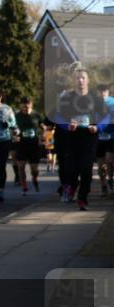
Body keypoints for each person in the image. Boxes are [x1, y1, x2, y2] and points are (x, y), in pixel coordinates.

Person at [55, 69, 109, 211]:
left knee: (86, 170)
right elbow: (58, 117)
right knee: (71, 170)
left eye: (83, 78)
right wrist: (67, 126)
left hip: (89, 138)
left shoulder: (95, 98)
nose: (80, 81)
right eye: (78, 78)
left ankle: (82, 198)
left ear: (88, 80)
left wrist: (98, 128)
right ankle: (72, 186)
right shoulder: (67, 98)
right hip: (72, 138)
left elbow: (107, 117)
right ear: (74, 80)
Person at [14, 96, 45, 195]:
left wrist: (42, 137)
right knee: (21, 166)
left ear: (31, 104)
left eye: (28, 103)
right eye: (24, 103)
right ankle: (24, 185)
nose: (26, 105)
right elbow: (12, 127)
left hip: (34, 144)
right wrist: (14, 136)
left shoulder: (37, 115)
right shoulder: (17, 116)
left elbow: (44, 127)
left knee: (34, 168)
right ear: (21, 104)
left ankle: (35, 178)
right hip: (21, 144)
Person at [96, 84, 113, 196]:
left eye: (105, 91)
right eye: (101, 91)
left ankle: (110, 180)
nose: (103, 94)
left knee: (109, 161)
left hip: (111, 137)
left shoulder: (113, 103)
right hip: (98, 139)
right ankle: (103, 184)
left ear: (108, 92)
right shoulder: (94, 105)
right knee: (101, 165)